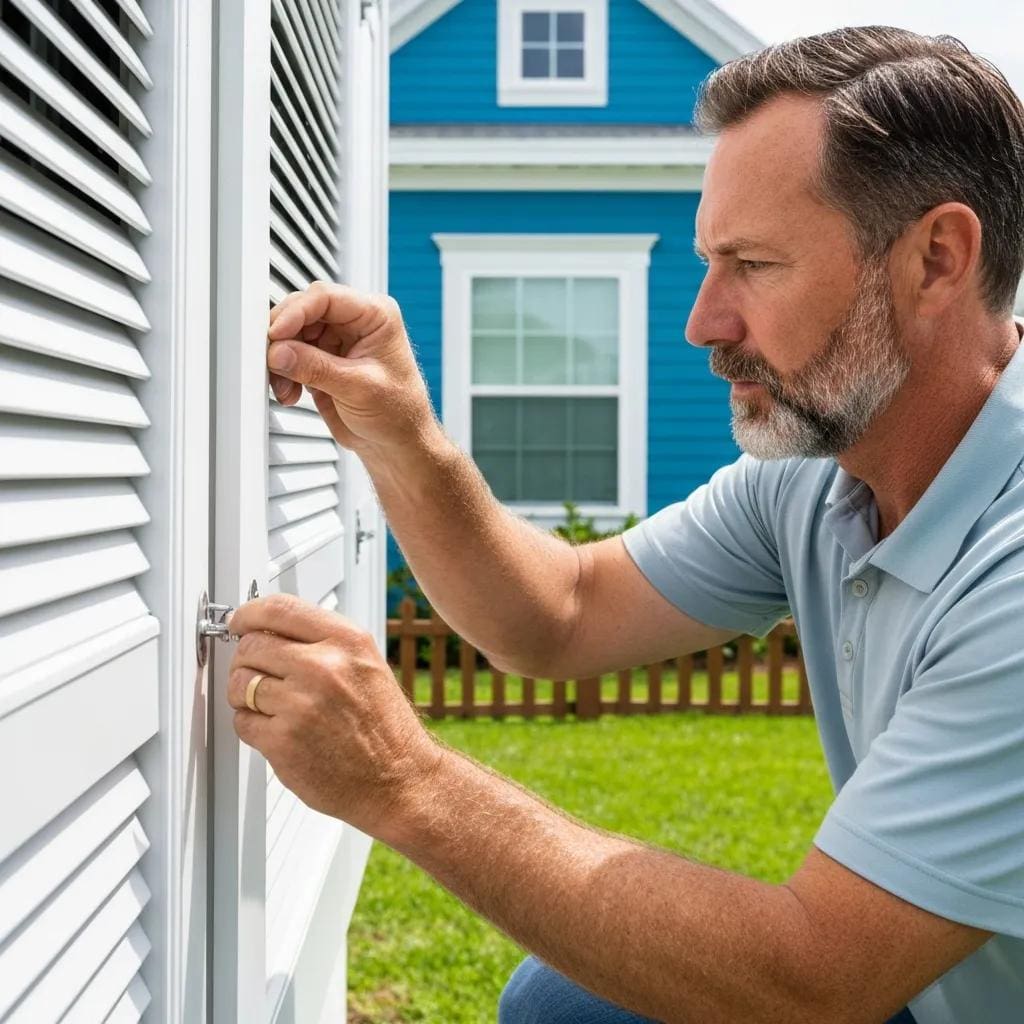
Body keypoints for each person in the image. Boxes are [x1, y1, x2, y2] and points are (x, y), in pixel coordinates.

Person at [225, 25, 1024, 1024]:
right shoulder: (819, 477)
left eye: (753, 263)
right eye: (709, 261)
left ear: (936, 259)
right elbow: (559, 613)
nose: (702, 322)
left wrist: (402, 778)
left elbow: (814, 979)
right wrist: (403, 436)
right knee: (563, 1002)